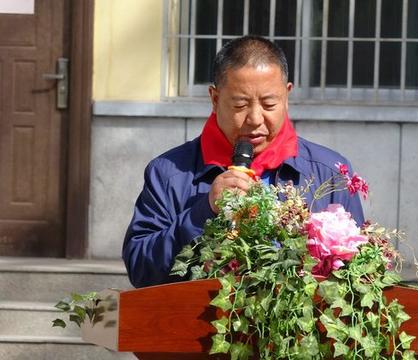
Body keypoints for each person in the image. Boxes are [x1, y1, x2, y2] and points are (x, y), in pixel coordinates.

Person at [122, 36, 364, 288]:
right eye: (240, 104)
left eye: (269, 104)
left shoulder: (330, 173)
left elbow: (360, 277)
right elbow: (141, 271)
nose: (256, 119)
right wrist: (202, 213)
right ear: (215, 99)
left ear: (287, 95)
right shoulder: (168, 173)